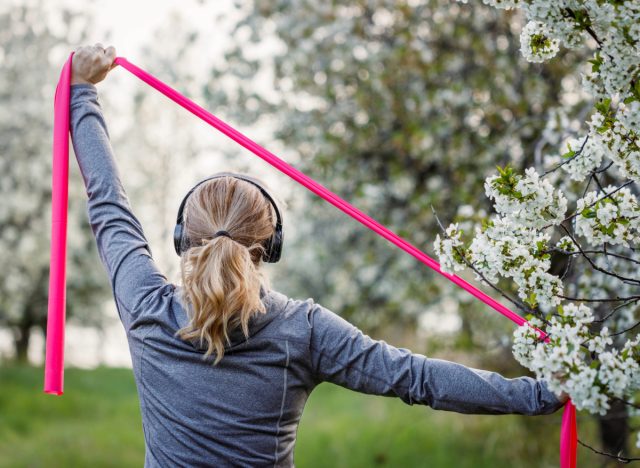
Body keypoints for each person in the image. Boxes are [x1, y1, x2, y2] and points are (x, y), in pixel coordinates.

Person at [69, 43, 569, 467]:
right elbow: (416, 378)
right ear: (271, 246)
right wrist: (541, 394)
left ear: (182, 237)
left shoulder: (143, 303)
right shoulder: (302, 330)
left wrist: (82, 91)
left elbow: (107, 200)